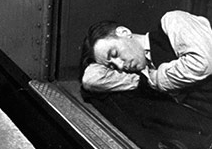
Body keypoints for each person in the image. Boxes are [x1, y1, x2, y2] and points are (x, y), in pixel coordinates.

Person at [81, 10, 212, 94]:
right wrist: (140, 80)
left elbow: (202, 64)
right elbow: (90, 80)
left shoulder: (173, 20)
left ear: (124, 32)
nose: (120, 66)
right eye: (112, 66)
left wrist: (153, 80)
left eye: (115, 54)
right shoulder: (143, 71)